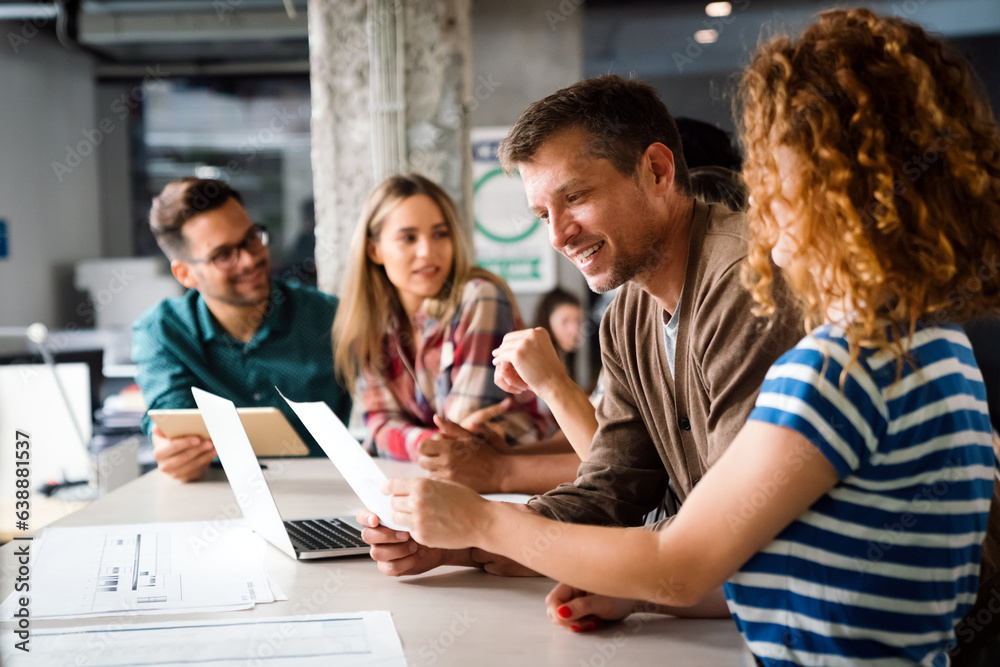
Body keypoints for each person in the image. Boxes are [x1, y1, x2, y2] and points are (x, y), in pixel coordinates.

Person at [380, 10, 1000, 665]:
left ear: (830, 194)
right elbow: (758, 548)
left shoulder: (828, 366)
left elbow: (683, 561)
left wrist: (483, 521)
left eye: (774, 173)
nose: (756, 195)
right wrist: (486, 542)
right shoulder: (935, 345)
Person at [358, 74, 803, 573]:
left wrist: (491, 527)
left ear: (657, 171)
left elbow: (729, 532)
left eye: (575, 198)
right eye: (543, 214)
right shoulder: (626, 315)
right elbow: (610, 494)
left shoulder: (744, 281)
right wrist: (457, 543)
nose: (559, 236)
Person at [333, 174, 570, 492]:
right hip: (434, 482)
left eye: (440, 234)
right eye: (408, 238)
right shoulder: (372, 322)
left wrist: (407, 440)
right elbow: (378, 426)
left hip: (516, 487)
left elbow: (460, 434)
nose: (427, 252)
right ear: (374, 250)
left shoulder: (479, 296)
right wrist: (429, 444)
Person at [133, 178, 351, 482]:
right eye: (223, 255)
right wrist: (172, 448)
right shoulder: (163, 331)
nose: (250, 259)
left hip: (326, 493)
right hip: (216, 496)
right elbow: (172, 418)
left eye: (251, 238)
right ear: (185, 273)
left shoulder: (331, 318)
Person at [533, 288, 583, 381]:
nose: (574, 329)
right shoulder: (534, 362)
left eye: (578, 321)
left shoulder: (563, 359)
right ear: (547, 322)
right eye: (565, 321)